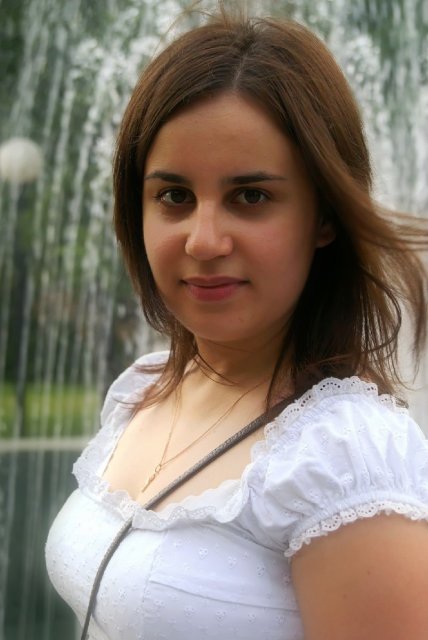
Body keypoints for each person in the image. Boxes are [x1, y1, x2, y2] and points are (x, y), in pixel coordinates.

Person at [45, 7, 428, 640]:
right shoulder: (146, 389)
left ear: (324, 218)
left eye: (251, 197)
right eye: (174, 196)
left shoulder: (345, 457)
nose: (203, 240)